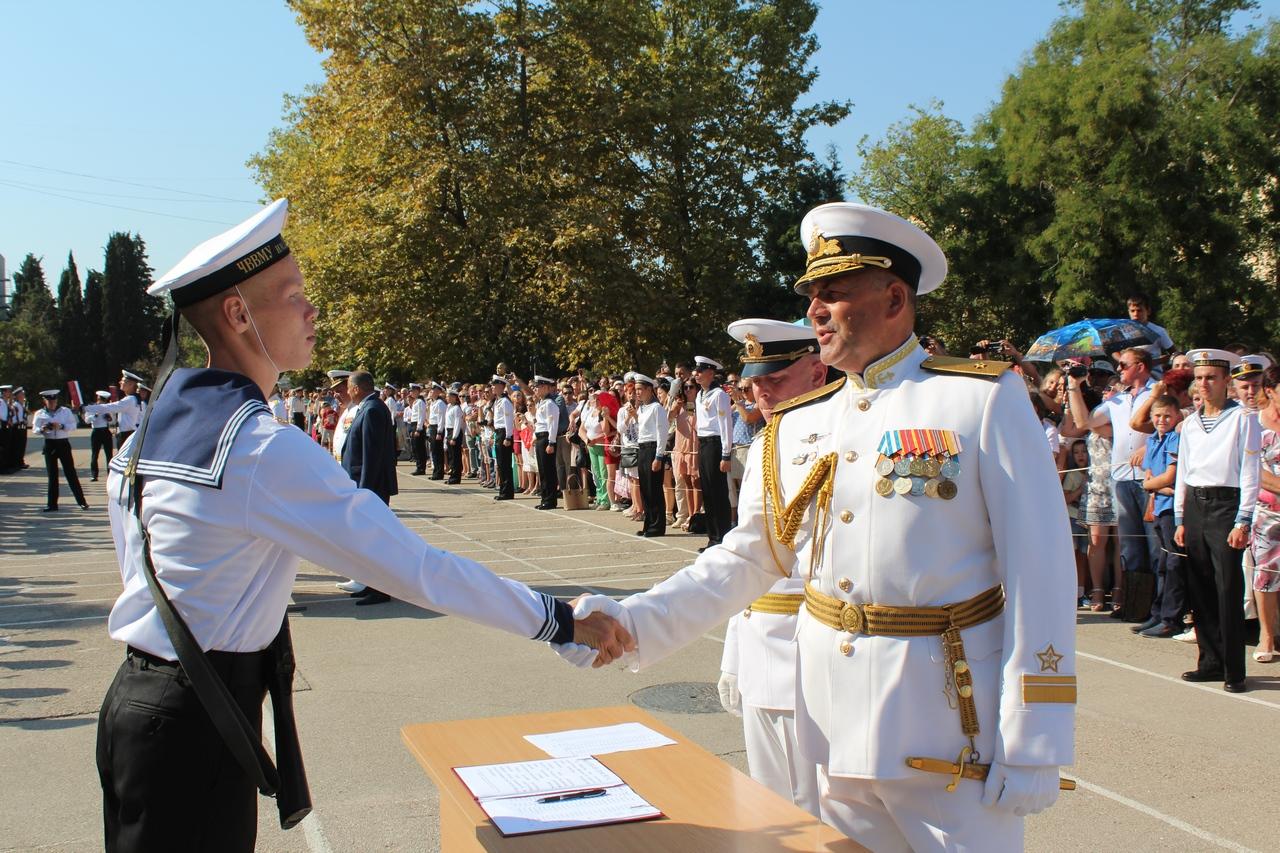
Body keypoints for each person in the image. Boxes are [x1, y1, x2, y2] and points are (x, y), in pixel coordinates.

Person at [95, 199, 631, 853]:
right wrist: (559, 618)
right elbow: (414, 566)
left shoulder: (146, 431)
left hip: (140, 702)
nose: (310, 309)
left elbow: (136, 563)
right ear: (238, 315)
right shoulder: (259, 446)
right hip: (194, 722)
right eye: (292, 295)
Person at [565, 202, 1075, 850]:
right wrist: (636, 621)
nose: (814, 311)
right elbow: (750, 556)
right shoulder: (800, 422)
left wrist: (1037, 736)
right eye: (811, 295)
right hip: (830, 728)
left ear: (894, 297)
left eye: (832, 294)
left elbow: (1043, 571)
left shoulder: (979, 398)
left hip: (948, 730)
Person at [717, 317, 825, 815]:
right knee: (768, 807)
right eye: (755, 381)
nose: (760, 392)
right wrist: (733, 656)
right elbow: (746, 556)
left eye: (775, 379)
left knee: (817, 809)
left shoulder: (838, 438)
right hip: (759, 643)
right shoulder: (763, 442)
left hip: (811, 655)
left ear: (817, 373)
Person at [1174, 349, 1260, 693]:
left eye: (1211, 377)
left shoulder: (1243, 418)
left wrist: (1244, 519)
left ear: (1227, 381)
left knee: (1227, 586)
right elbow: (1184, 470)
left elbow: (1250, 470)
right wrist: (1181, 515)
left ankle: (1233, 669)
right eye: (1199, 378)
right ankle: (1209, 660)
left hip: (1227, 504)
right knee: (1200, 585)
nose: (1204, 384)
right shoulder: (1191, 422)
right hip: (1196, 503)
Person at [1066, 347, 1159, 618]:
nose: (1119, 370)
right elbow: (1083, 422)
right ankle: (1136, 606)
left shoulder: (1158, 391)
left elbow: (1171, 425)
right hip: (1121, 480)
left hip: (1149, 479)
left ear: (1141, 366)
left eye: (1124, 365)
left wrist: (1150, 445)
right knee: (1131, 548)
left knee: (1154, 547)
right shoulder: (1116, 402)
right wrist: (1074, 386)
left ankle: (1160, 610)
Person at [338, 371, 398, 606]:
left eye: (349, 387)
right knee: (368, 539)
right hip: (367, 485)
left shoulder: (372, 409)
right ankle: (370, 584)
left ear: (356, 388)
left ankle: (380, 589)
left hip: (371, 486)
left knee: (375, 540)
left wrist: (364, 490)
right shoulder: (369, 406)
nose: (348, 392)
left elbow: (371, 456)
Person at [1136, 396, 1186, 638]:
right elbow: (1150, 474)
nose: (1161, 420)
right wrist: (1153, 485)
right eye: (1157, 415)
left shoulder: (1176, 439)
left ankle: (1171, 618)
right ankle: (1157, 613)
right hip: (1157, 506)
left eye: (1167, 415)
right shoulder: (1152, 439)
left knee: (1174, 563)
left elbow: (1170, 478)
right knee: (1162, 564)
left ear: (1177, 416)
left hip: (1171, 509)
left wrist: (1150, 485)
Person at [1251, 366, 1280, 662]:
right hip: (1267, 512)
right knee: (1266, 573)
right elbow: (1252, 470)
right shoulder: (1255, 423)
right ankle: (1266, 636)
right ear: (1270, 390)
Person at [693, 355, 733, 550]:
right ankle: (713, 537)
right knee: (707, 492)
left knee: (718, 492)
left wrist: (726, 454)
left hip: (716, 444)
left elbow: (725, 425)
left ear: (711, 372)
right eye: (696, 371)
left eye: (700, 371)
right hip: (704, 444)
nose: (696, 374)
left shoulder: (719, 395)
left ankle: (722, 537)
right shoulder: (700, 395)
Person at [626, 373, 669, 537]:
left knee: (654, 489)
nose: (637, 393)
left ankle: (657, 526)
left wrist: (659, 456)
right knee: (645, 489)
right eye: (636, 389)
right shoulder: (642, 408)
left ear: (649, 389)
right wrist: (635, 417)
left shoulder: (657, 408)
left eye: (640, 389)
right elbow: (643, 429)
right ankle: (649, 523)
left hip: (652, 448)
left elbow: (661, 432)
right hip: (642, 448)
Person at [33, 388, 89, 512]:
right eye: (49, 401)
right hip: (49, 444)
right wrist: (43, 429)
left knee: (71, 473)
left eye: (54, 400)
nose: (52, 403)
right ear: (44, 401)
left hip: (63, 443)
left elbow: (73, 426)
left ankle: (82, 502)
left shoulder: (65, 411)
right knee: (52, 475)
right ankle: (52, 504)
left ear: (57, 400)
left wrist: (61, 426)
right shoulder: (40, 413)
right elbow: (35, 429)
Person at [83, 370, 146, 450]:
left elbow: (109, 407)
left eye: (123, 381)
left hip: (126, 434)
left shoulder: (129, 399)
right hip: (127, 432)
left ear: (131, 384)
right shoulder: (133, 398)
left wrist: (86, 407)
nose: (120, 382)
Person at [490, 376, 516, 500]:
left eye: (495, 385)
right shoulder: (498, 400)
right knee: (500, 464)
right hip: (499, 432)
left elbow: (508, 420)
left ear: (501, 386)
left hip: (504, 433)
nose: (492, 387)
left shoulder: (505, 401)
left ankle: (507, 491)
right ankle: (503, 490)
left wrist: (508, 437)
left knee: (505, 464)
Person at [88, 390, 116, 481]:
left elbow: (113, 421)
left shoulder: (107, 408)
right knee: (95, 454)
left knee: (109, 454)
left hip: (105, 431)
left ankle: (110, 474)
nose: (102, 403)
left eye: (104, 401)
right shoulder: (92, 407)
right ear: (98, 398)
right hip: (96, 431)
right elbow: (87, 420)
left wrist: (109, 418)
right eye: (101, 400)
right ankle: (94, 474)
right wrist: (95, 416)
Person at [444, 388, 465, 485]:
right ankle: (452, 475)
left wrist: (454, 437)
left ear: (453, 397)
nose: (447, 398)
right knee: (451, 456)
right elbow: (447, 423)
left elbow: (457, 424)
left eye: (448, 396)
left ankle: (456, 477)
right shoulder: (449, 407)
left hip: (454, 432)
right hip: (449, 431)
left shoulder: (457, 408)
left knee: (455, 456)